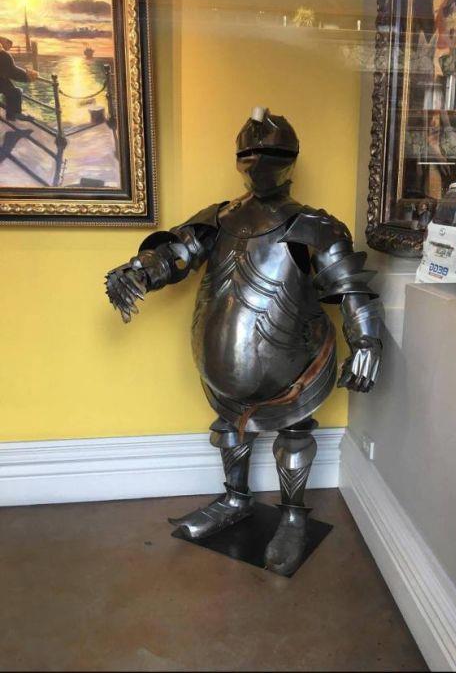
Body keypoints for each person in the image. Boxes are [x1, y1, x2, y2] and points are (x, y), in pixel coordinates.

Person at [105, 107, 383, 576]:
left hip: (293, 369)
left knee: (294, 432)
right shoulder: (217, 220)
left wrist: (367, 342)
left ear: (291, 160)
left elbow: (350, 289)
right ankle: (235, 499)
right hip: (220, 370)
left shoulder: (314, 227)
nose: (259, 163)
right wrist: (141, 270)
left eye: (271, 154)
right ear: (238, 159)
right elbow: (176, 255)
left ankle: (293, 516)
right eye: (250, 153)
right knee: (230, 427)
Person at [0, 37, 39, 121]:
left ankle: (11, 115)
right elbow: (12, 71)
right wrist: (27, 76)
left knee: (11, 90)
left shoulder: (3, 55)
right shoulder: (3, 55)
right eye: (8, 46)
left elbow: (10, 71)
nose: (8, 48)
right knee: (15, 92)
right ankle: (15, 113)